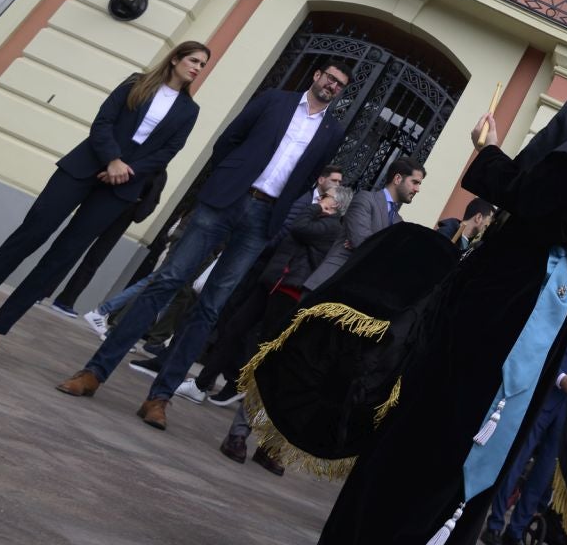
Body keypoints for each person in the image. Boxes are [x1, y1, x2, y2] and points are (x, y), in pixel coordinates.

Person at [258, 12, 567, 545]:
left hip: (503, 308)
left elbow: (533, 199)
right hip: (528, 306)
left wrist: (485, 150)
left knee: (431, 436)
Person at [56, 61, 354, 430]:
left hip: (264, 218)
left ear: (341, 92)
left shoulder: (332, 131)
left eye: (339, 85)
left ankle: (159, 398)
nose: (332, 85)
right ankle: (94, 372)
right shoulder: (275, 100)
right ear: (316, 76)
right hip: (225, 202)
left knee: (211, 306)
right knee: (169, 280)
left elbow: (311, 175)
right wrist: (230, 177)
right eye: (329, 77)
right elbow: (229, 139)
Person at [0, 41, 211, 359]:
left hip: (120, 188)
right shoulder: (135, 83)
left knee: (61, 258)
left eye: (202, 65)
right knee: (28, 237)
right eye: (193, 60)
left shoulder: (189, 111)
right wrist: (112, 159)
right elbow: (103, 122)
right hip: (82, 169)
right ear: (175, 59)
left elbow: (167, 152)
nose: (197, 68)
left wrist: (126, 171)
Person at [214, 182, 353, 472]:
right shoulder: (332, 227)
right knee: (270, 364)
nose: (319, 199)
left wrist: (317, 208)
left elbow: (299, 226)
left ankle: (260, 440)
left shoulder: (329, 227)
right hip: (287, 290)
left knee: (279, 371)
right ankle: (246, 434)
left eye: (324, 197)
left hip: (299, 297)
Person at [484, 276, 567, 543]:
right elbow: (547, 351)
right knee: (518, 460)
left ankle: (515, 531)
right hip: (546, 399)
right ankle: (494, 523)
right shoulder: (565, 314)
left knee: (543, 474)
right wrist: (561, 379)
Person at [49, 167, 169, 318]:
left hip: (125, 216)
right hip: (106, 202)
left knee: (95, 259)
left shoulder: (160, 173)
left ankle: (66, 300)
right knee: (73, 248)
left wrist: (138, 210)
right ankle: (42, 291)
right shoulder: (136, 159)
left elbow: (154, 199)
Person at [303, 155, 426, 290]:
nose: (417, 189)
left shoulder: (399, 222)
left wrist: (370, 244)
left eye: (419, 184)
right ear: (397, 179)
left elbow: (392, 261)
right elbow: (360, 240)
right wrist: (373, 246)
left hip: (356, 293)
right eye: (415, 182)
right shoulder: (365, 199)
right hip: (327, 284)